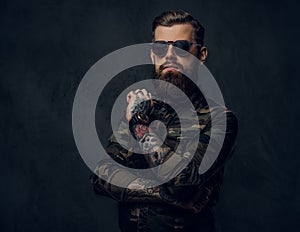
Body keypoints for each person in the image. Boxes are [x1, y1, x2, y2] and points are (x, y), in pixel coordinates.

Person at [91, 10, 238, 232]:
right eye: (161, 48)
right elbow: (101, 177)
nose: (169, 55)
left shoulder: (219, 119)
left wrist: (139, 127)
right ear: (152, 55)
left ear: (201, 54)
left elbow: (182, 182)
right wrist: (167, 198)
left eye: (181, 46)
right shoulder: (140, 110)